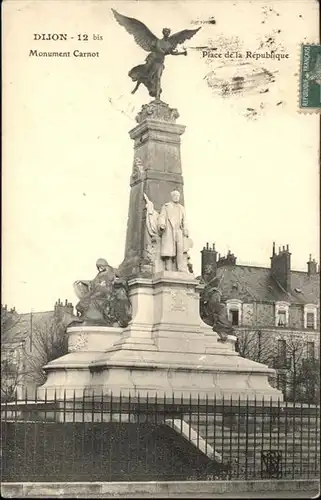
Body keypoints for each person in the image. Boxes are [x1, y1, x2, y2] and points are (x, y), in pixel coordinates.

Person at [158, 190, 190, 272]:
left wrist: (185, 229)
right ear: (172, 197)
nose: (176, 197)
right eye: (175, 195)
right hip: (169, 229)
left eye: (178, 196)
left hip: (179, 230)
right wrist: (162, 224)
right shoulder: (166, 206)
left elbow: (185, 220)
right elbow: (162, 216)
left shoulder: (181, 208)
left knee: (180, 249)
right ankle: (168, 267)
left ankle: (180, 267)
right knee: (169, 249)